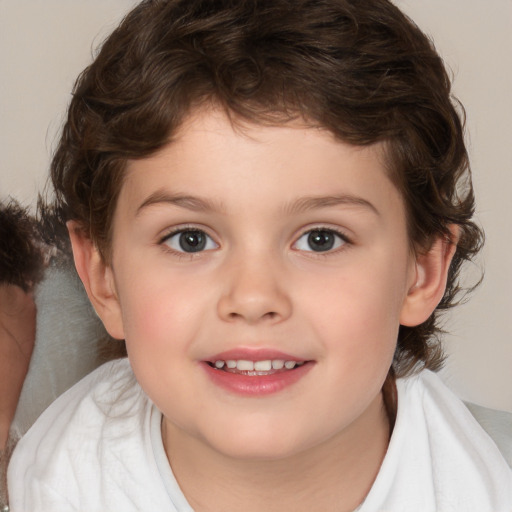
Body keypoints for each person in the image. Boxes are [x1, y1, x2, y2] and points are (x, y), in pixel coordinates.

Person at [7, 0, 512, 510]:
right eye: (190, 239)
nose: (253, 298)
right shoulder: (59, 481)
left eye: (321, 239)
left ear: (421, 272)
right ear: (104, 277)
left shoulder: (483, 487)